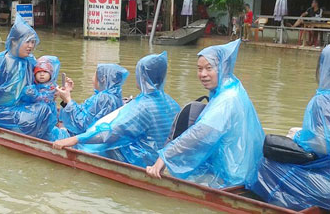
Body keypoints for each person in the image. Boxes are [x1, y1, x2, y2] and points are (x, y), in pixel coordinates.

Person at [146, 40, 265, 189]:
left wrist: (165, 157)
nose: (203, 74)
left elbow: (200, 134)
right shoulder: (231, 87)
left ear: (223, 68)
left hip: (232, 176)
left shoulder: (227, 99)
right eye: (199, 69)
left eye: (209, 68)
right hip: (243, 170)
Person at [53, 52, 181, 168]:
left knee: (92, 144)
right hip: (160, 159)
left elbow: (111, 132)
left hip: (140, 160)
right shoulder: (172, 103)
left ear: (143, 76)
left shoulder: (142, 106)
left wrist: (75, 140)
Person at [247, 46, 330, 211]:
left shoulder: (322, 101)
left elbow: (322, 146)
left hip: (326, 186)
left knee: (264, 164)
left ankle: (285, 205)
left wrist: (299, 136)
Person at [57, 64, 129, 136]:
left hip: (83, 140)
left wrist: (68, 99)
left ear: (102, 79)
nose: (92, 78)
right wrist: (66, 97)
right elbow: (82, 112)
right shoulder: (113, 96)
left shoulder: (104, 98)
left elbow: (81, 125)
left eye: (94, 75)